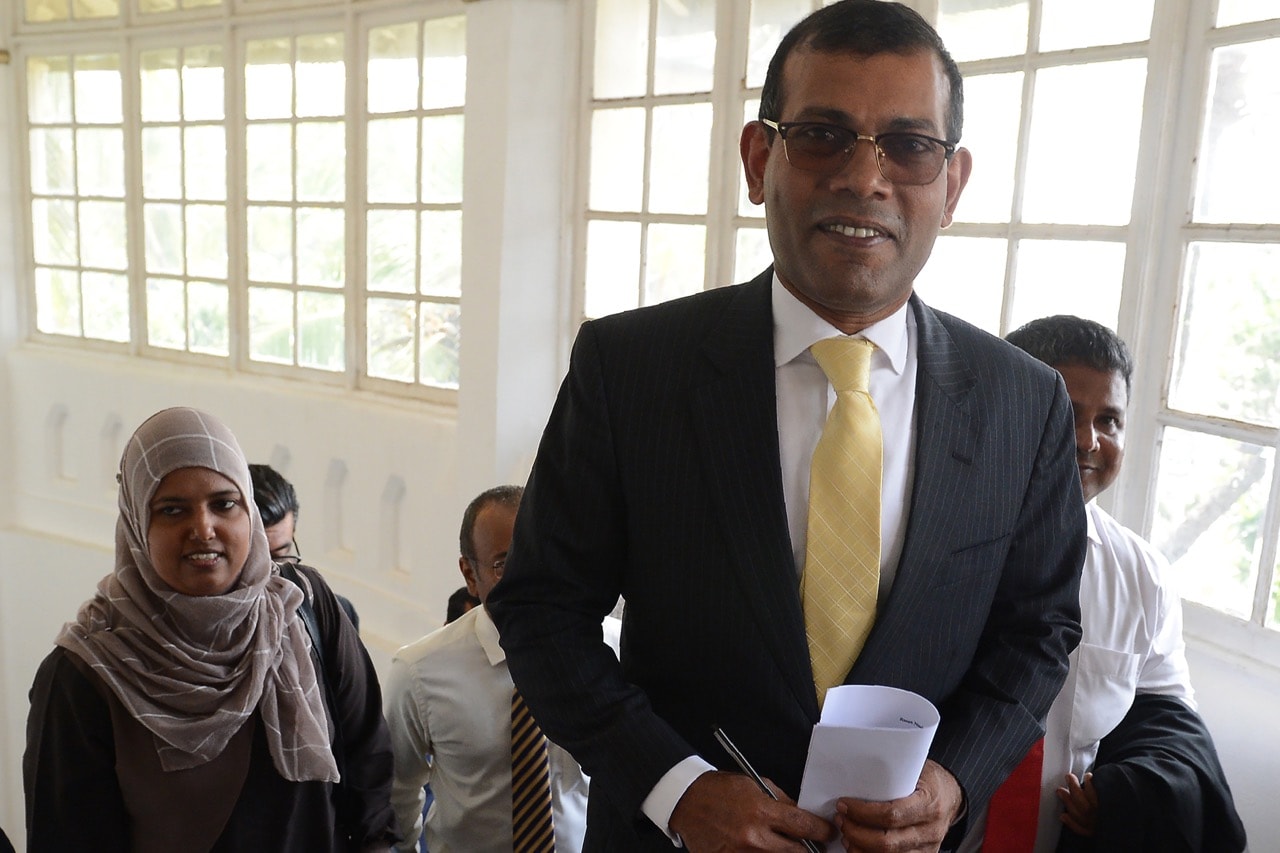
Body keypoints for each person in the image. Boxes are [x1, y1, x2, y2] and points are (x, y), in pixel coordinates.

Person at [486, 2, 1086, 850]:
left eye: (910, 145)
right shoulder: (631, 369)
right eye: (823, 135)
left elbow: (1039, 631)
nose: (865, 178)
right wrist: (678, 788)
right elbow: (544, 610)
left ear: (950, 185)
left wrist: (953, 778)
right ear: (759, 157)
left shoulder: (1026, 404)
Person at [24, 407, 400, 851]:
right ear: (136, 525)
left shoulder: (303, 607)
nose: (202, 528)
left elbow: (369, 769)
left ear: (250, 515)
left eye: (224, 503)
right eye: (171, 510)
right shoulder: (83, 675)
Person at [961, 315, 1245, 852]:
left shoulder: (1144, 579)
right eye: (1065, 413)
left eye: (1110, 420)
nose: (1087, 441)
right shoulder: (932, 545)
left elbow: (1169, 732)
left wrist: (1124, 796)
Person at [384, 486, 620, 852]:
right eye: (503, 564)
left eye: (542, 556)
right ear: (469, 574)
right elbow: (398, 795)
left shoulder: (614, 649)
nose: (529, 578)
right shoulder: (419, 673)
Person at [249, 462, 361, 630]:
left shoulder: (335, 617)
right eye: (255, 558)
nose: (269, 573)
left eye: (279, 556)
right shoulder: (201, 632)